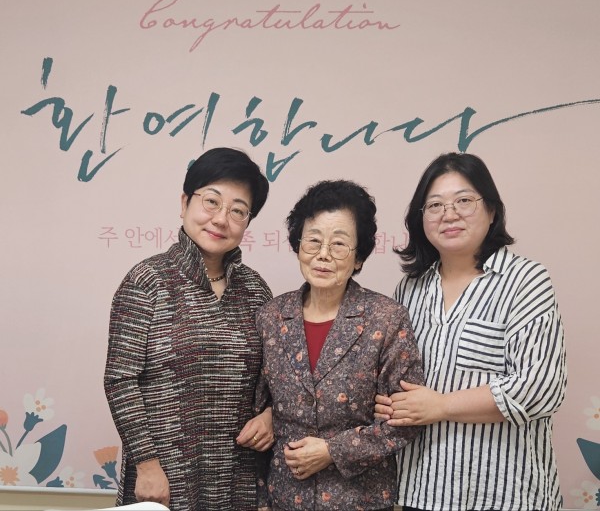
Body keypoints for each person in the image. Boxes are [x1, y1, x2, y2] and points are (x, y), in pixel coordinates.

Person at [375, 152, 567, 511]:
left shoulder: (526, 281)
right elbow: (393, 380)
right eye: (435, 205)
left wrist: (441, 406)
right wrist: (388, 402)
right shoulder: (409, 289)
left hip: (505, 493)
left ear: (491, 210)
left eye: (463, 200)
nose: (449, 214)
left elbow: (540, 388)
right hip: (420, 490)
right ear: (421, 219)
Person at [104, 147, 275, 511]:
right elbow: (120, 380)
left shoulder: (256, 290)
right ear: (185, 203)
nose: (221, 219)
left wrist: (270, 416)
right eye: (211, 201)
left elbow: (277, 377)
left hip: (239, 476)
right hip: (165, 475)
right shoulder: (146, 281)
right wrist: (147, 466)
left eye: (238, 210)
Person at [254, 179, 424, 511]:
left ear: (358, 257)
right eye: (313, 240)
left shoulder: (386, 318)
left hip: (361, 499)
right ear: (298, 245)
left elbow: (405, 420)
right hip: (284, 496)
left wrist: (333, 450)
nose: (323, 254)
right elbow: (258, 412)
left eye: (339, 244)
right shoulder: (271, 317)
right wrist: (262, 498)